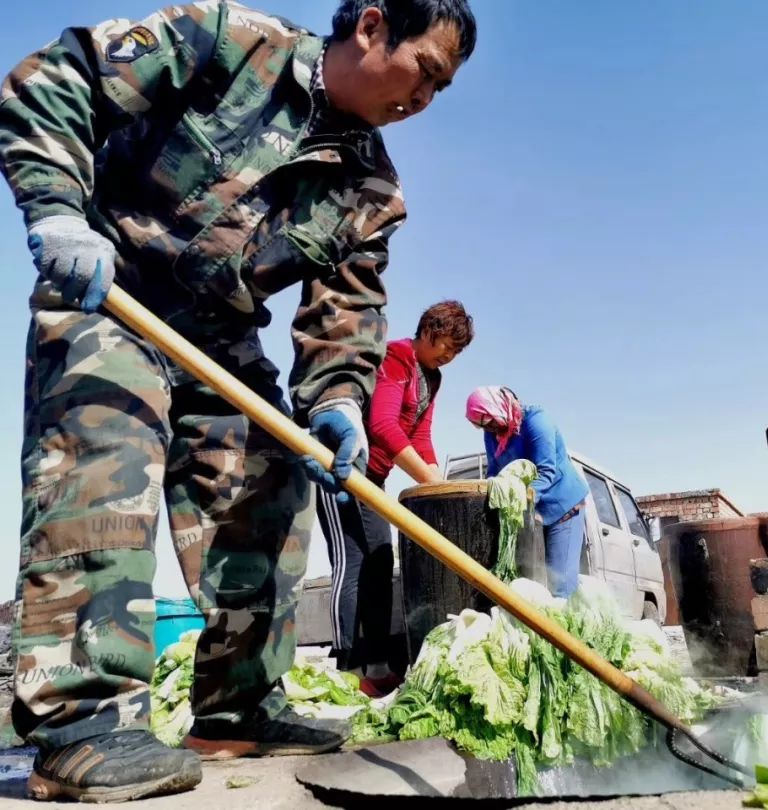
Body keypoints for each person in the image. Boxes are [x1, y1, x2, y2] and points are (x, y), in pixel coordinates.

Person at [0, 0, 476, 801]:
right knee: (105, 464)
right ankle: (80, 729)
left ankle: (237, 710)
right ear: (369, 26)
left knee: (272, 483)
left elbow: (347, 316)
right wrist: (54, 206)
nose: (421, 100)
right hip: (112, 293)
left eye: (440, 91)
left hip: (221, 336)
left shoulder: (372, 189)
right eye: (424, 72)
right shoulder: (225, 41)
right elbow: (58, 79)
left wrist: (339, 401)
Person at [314, 300, 473, 696]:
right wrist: (425, 477)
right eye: (445, 347)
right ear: (427, 333)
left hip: (376, 481)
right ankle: (347, 665)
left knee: (381, 560)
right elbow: (382, 425)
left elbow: (420, 436)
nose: (449, 356)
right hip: (344, 471)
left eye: (456, 352)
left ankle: (378, 665)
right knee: (352, 564)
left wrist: (435, 483)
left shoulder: (432, 378)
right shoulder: (399, 357)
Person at [465, 387, 590, 598]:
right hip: (531, 512)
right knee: (527, 584)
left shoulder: (536, 422)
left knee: (560, 586)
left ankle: (562, 629)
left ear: (499, 408)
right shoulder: (492, 433)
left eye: (492, 423)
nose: (492, 430)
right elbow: (495, 472)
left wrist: (518, 500)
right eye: (484, 426)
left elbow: (546, 471)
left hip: (562, 509)